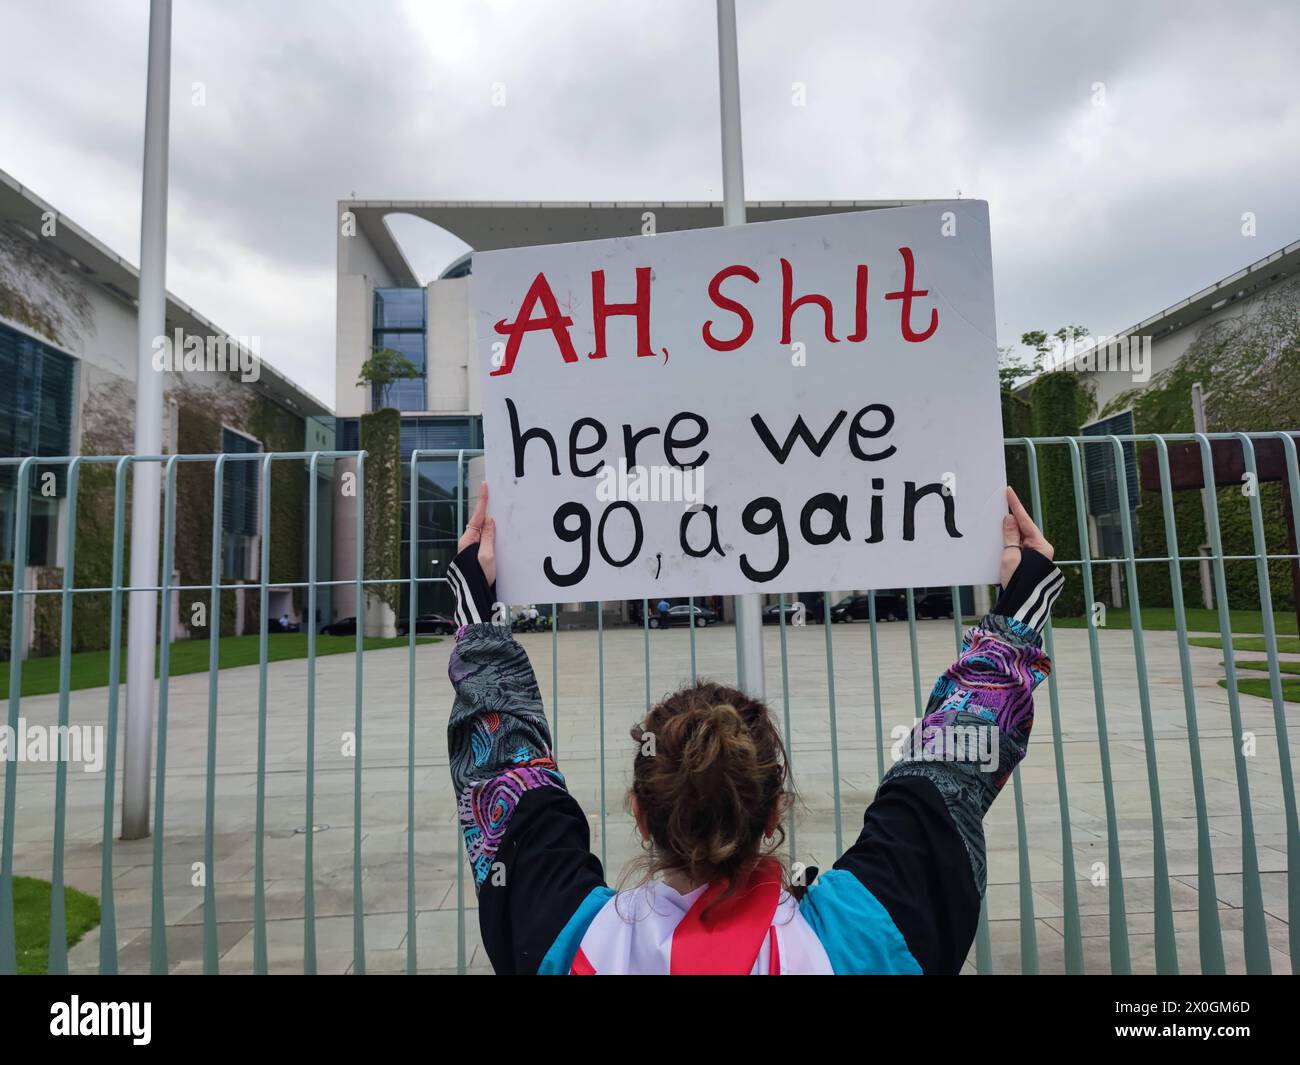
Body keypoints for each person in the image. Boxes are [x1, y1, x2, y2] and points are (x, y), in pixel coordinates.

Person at [445, 483, 1062, 974]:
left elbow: (504, 772)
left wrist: (476, 610)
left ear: (639, 814)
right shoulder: (869, 936)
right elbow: (949, 772)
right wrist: (1021, 607)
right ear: (775, 814)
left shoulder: (565, 941)